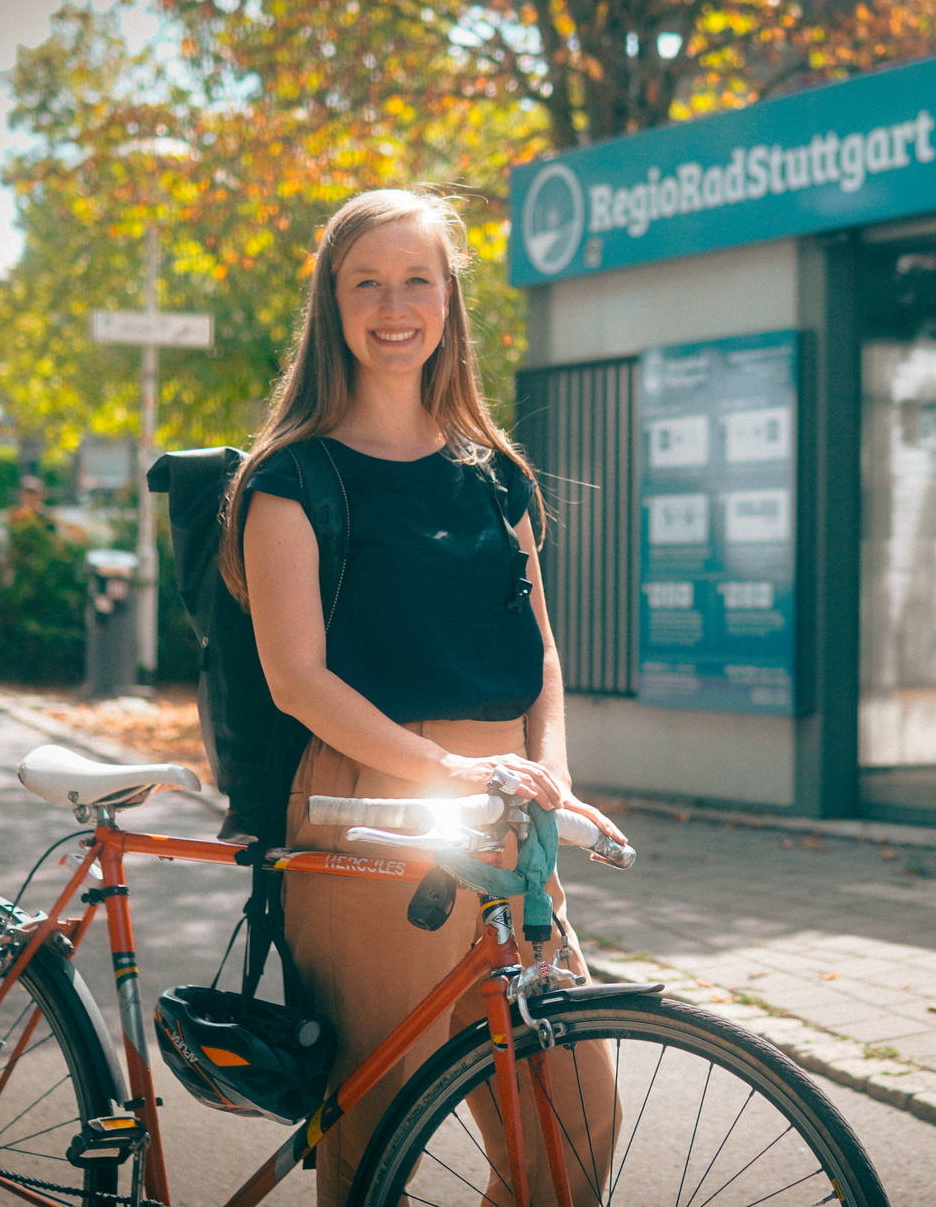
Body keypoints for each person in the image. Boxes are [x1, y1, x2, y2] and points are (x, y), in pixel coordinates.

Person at [218, 188, 625, 1206]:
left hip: (503, 804)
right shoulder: (291, 482)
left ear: (448, 301)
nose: (393, 305)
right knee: (379, 1131)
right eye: (367, 283)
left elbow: (541, 656)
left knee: (572, 1128)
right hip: (366, 802)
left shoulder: (496, 479)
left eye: (416, 280)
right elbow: (295, 679)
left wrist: (551, 781)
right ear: (332, 305)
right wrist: (452, 768)